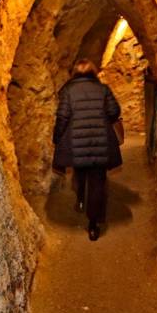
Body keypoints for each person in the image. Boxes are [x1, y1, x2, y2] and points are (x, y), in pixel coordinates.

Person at [52, 58, 122, 241]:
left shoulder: (68, 91)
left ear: (75, 72)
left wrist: (57, 137)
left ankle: (81, 199)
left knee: (80, 171)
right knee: (98, 182)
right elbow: (115, 112)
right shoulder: (103, 89)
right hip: (100, 142)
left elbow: (62, 116)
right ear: (93, 72)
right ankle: (93, 225)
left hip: (77, 142)